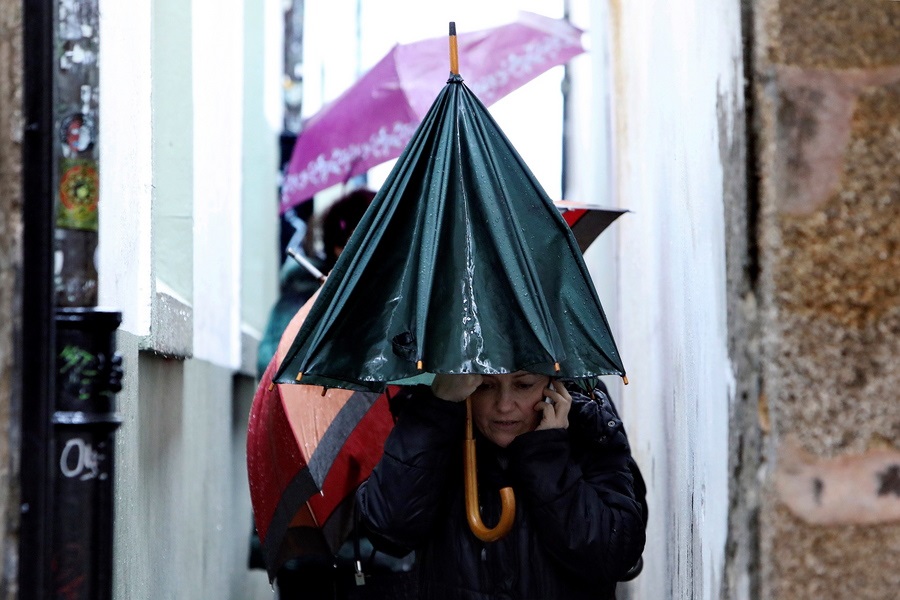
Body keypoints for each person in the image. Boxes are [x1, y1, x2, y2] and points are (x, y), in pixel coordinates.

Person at [356, 371, 647, 599]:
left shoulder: (588, 426)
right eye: (485, 386)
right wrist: (436, 410)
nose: (505, 405)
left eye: (524, 385)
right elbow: (388, 528)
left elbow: (614, 554)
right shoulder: (437, 426)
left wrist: (548, 455)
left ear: (554, 384)